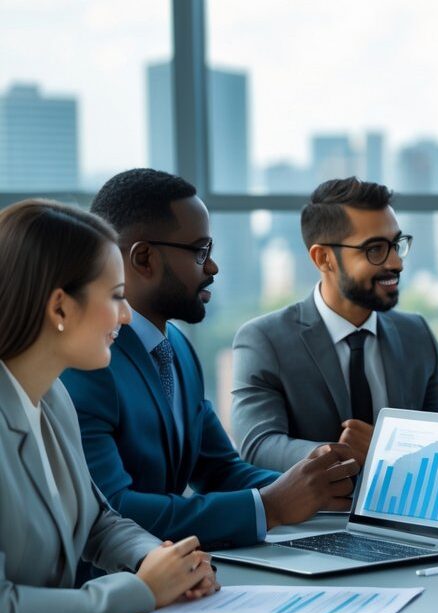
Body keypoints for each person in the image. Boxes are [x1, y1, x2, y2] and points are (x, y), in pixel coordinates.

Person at [61, 169, 360, 551]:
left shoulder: (179, 351)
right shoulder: (87, 362)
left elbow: (220, 470)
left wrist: (323, 485)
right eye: (201, 252)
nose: (213, 267)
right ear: (144, 258)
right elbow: (112, 510)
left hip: (183, 576)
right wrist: (269, 506)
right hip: (114, 589)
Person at [0, 200, 218, 613]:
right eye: (116, 296)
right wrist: (141, 591)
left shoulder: (53, 396)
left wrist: (160, 560)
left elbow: (96, 520)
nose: (124, 316)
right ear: (60, 306)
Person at [231, 177, 438, 470]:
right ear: (324, 258)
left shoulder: (416, 333)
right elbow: (259, 445)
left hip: (410, 510)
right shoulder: (264, 339)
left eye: (396, 245)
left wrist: (383, 450)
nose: (396, 263)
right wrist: (345, 454)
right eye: (375, 249)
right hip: (316, 514)